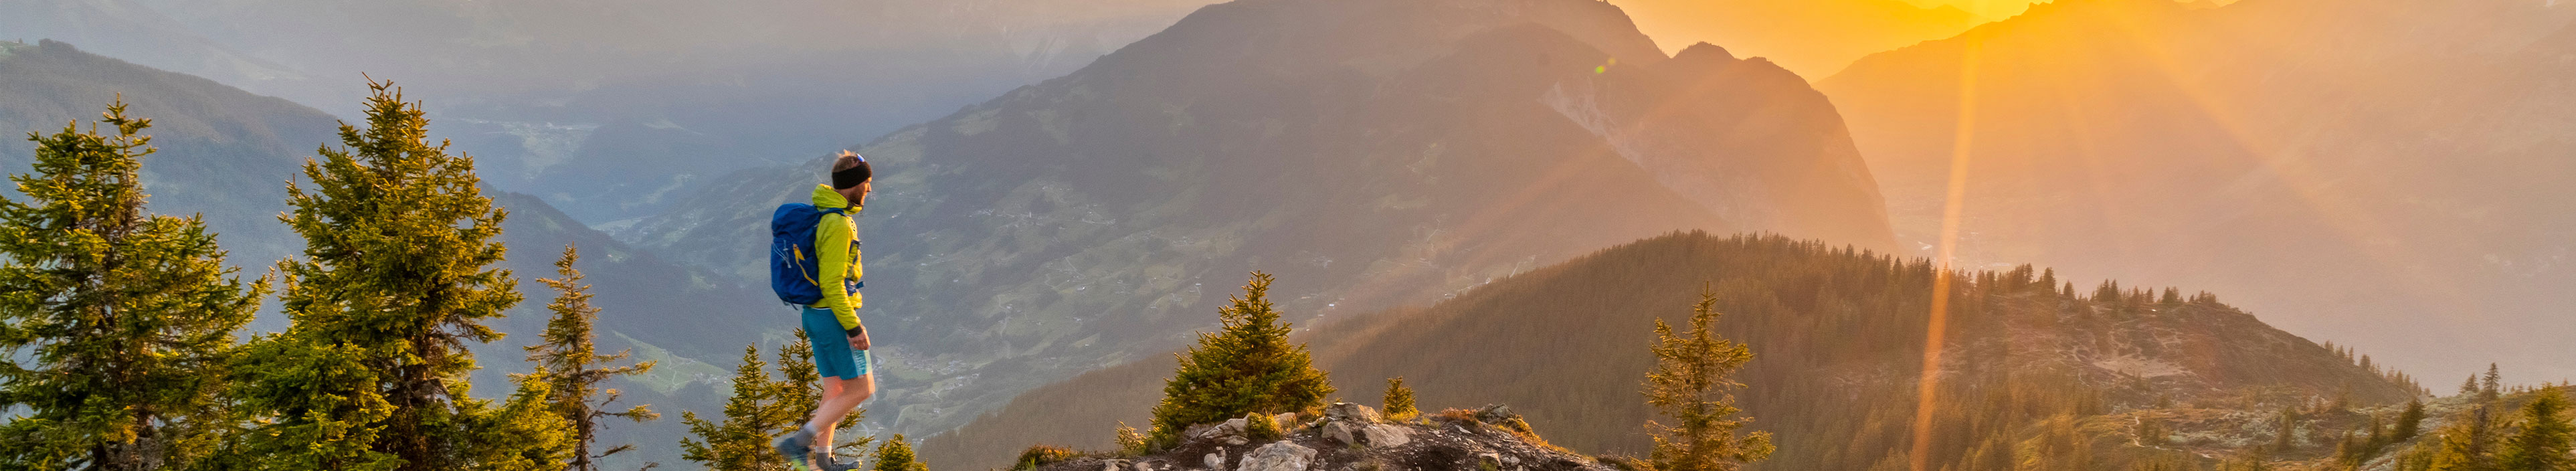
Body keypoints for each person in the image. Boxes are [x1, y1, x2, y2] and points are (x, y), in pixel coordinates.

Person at [776, 150, 875, 471]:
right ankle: (797, 443)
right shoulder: (839, 224)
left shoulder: (824, 213)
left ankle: (822, 462)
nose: (869, 190)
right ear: (853, 185)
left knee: (835, 388)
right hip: (834, 317)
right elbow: (832, 283)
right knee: (863, 388)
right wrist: (854, 327)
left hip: (815, 314)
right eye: (867, 183)